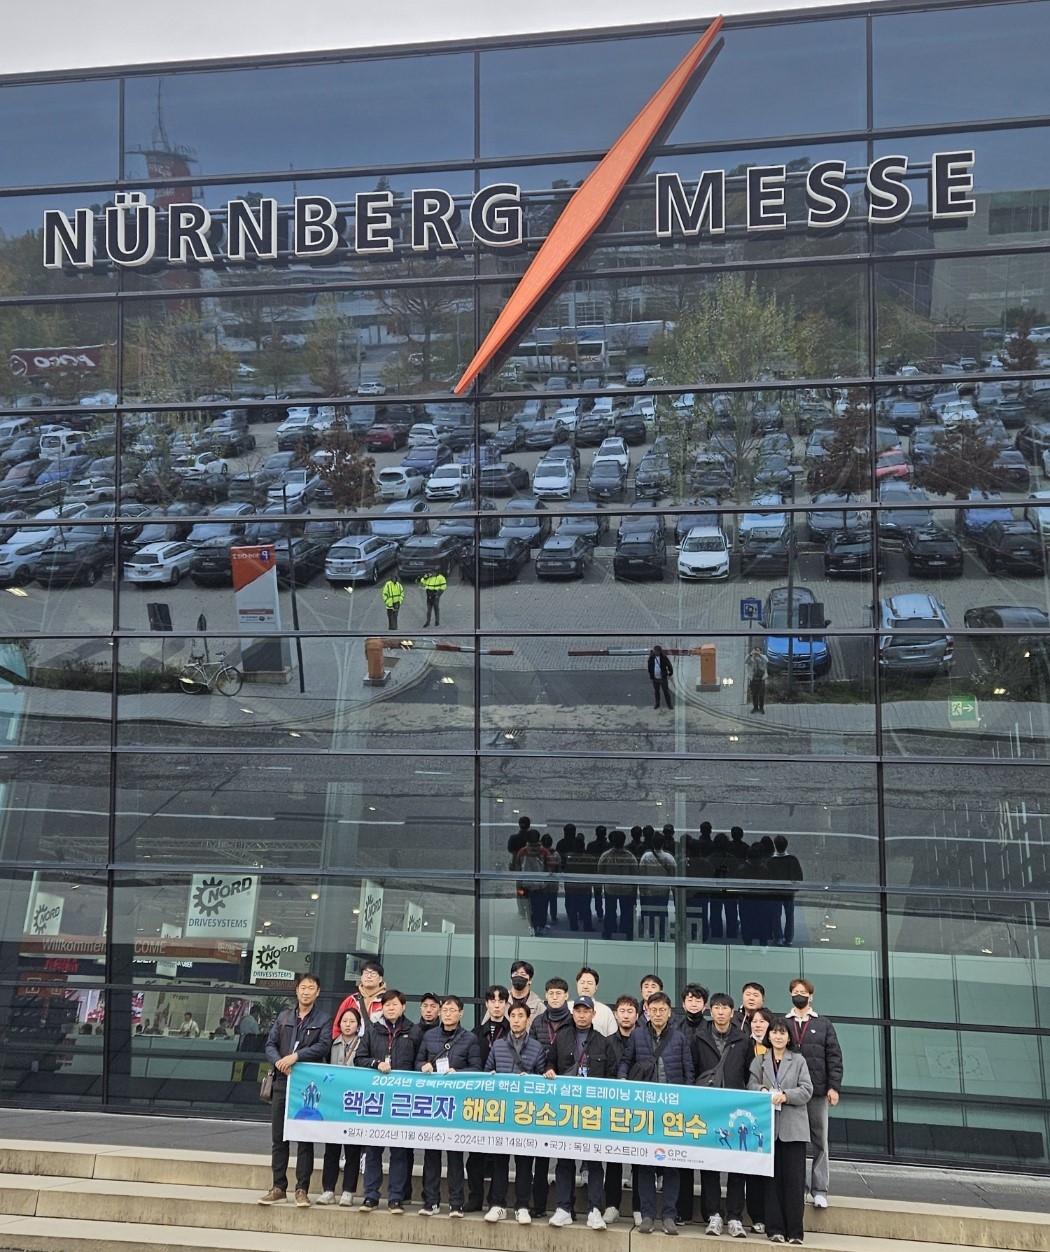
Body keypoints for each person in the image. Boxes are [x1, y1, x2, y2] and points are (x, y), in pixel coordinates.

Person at [617, 992, 694, 1235]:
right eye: (654, 1010)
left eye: (662, 1009)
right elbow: (626, 1061)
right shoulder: (638, 1035)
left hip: (672, 1110)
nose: (658, 1014)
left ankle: (669, 1215)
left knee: (672, 1164)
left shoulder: (679, 1038)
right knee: (645, 1165)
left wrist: (688, 1101)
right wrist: (622, 1079)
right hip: (645, 1108)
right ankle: (648, 1215)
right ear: (647, 1011)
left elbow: (688, 1072)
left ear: (669, 1012)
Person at [258, 973, 333, 1207]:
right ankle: (278, 1187)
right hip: (282, 1082)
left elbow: (324, 1046)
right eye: (303, 987)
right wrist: (280, 1062)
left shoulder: (324, 1019)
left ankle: (302, 1189)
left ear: (317, 992)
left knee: (304, 1139)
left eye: (311, 988)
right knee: (279, 1138)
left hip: (306, 1086)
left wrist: (296, 1057)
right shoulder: (284, 1016)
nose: (306, 991)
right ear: (296, 990)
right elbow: (270, 1045)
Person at [545, 997, 613, 1230]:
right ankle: (564, 1208)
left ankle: (595, 1210)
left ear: (594, 1014)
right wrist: (549, 1070)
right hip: (566, 1109)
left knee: (594, 1161)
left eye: (586, 1011)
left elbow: (612, 1075)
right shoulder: (562, 1038)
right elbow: (550, 1062)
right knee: (564, 1160)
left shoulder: (603, 1042)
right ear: (572, 1013)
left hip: (594, 1110)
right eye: (578, 1011)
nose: (582, 1015)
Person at [748, 1017, 814, 1244]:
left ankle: (795, 1232)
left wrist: (786, 1095)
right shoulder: (760, 1061)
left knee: (794, 1182)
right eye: (774, 1032)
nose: (778, 1036)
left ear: (789, 1037)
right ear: (769, 1036)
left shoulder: (798, 1061)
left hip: (793, 1129)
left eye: (782, 1033)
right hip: (768, 1129)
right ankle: (775, 1229)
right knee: (772, 1182)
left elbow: (807, 1090)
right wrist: (761, 1089)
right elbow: (750, 1085)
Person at [355, 990, 422, 1212]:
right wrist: (375, 1064)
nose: (390, 1008)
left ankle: (396, 1197)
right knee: (373, 1149)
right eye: (387, 1005)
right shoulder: (372, 1030)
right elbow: (359, 1058)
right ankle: (370, 1196)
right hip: (376, 1099)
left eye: (395, 1004)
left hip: (402, 1099)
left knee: (399, 1151)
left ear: (404, 1006)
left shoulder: (414, 1031)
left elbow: (419, 1062)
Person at [416, 995, 481, 1217]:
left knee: (455, 1156)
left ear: (461, 1013)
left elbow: (477, 1068)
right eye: (445, 1010)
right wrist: (423, 1066)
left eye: (452, 1010)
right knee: (431, 1155)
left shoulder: (470, 1038)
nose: (448, 1014)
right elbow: (417, 1061)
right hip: (433, 1102)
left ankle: (456, 1203)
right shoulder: (429, 1035)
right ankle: (431, 1202)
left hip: (456, 1104)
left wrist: (458, 1073)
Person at [484, 1003, 547, 1225]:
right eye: (513, 1016)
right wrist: (491, 1075)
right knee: (500, 1161)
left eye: (521, 1016)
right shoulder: (498, 1045)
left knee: (524, 1162)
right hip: (502, 1112)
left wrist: (532, 1080)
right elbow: (487, 1072)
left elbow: (542, 1080)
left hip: (525, 1113)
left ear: (528, 1020)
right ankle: (498, 1204)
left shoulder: (537, 1048)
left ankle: (522, 1206)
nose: (517, 1019)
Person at [694, 994, 750, 1238]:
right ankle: (713, 1214)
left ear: (732, 1012)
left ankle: (735, 1216)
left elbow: (748, 1074)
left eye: (724, 1008)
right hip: (708, 1108)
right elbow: (693, 1070)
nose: (720, 1012)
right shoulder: (699, 1038)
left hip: (736, 1109)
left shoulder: (743, 1039)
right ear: (710, 1010)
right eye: (716, 1007)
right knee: (710, 1164)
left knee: (737, 1164)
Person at [786, 980, 842, 1210]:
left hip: (817, 1092)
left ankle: (820, 1190)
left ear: (811, 996)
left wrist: (833, 1086)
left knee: (820, 1142)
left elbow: (834, 1057)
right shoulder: (784, 1023)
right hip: (792, 1094)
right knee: (795, 1143)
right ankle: (798, 1189)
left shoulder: (823, 1024)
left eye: (803, 992)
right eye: (795, 992)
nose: (799, 995)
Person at [468, 986, 511, 1211]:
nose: (496, 1005)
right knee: (475, 1154)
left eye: (501, 1001)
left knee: (500, 1156)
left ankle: (497, 1200)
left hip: (505, 1100)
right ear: (486, 1004)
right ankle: (475, 1198)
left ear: (506, 1004)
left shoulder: (513, 1030)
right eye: (492, 1001)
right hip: (479, 1099)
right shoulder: (476, 1033)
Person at [317, 1004, 364, 1207]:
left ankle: (348, 1191)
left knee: (352, 1149)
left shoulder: (363, 1046)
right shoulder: (331, 1044)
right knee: (331, 1149)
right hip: (333, 1103)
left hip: (354, 1103)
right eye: (344, 1021)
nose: (347, 1025)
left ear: (358, 1025)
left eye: (352, 1021)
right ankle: (328, 1190)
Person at [603, 995, 640, 1224]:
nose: (626, 1016)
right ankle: (611, 1206)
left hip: (640, 1109)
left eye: (630, 1011)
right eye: (622, 1011)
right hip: (614, 1107)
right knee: (613, 1158)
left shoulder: (644, 1040)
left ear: (637, 1015)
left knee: (640, 1160)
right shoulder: (606, 1042)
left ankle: (638, 1208)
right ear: (616, 1015)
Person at [675, 983, 709, 1226]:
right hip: (682, 1098)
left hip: (706, 1098)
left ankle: (709, 1212)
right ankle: (682, 1210)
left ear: (705, 1005)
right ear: (683, 1003)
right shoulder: (675, 1028)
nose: (694, 1004)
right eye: (690, 999)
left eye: (698, 1000)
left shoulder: (710, 1029)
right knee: (683, 1157)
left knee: (707, 1157)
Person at [744, 1007, 775, 1233]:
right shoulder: (744, 1045)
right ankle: (757, 1216)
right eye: (754, 1021)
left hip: (776, 1114)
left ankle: (770, 1215)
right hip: (750, 1111)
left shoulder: (778, 1049)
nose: (758, 1025)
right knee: (753, 1165)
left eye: (763, 1021)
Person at [597, 829, 637, 940]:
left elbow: (600, 872)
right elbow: (635, 873)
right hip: (626, 888)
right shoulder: (630, 856)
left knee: (610, 911)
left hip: (610, 888)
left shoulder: (605, 856)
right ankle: (628, 932)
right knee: (627, 912)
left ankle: (608, 932)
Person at [515, 828, 556, 936]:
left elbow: (517, 867)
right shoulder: (544, 852)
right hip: (540, 885)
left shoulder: (522, 851)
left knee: (530, 907)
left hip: (526, 884)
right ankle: (541, 927)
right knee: (541, 907)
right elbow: (551, 866)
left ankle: (532, 927)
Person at [331, 960, 386, 1037]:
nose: (369, 976)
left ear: (380, 979)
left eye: (373, 974)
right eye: (366, 973)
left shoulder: (387, 1000)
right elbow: (337, 1026)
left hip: (379, 1043)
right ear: (361, 977)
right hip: (354, 1043)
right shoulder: (351, 1000)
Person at [638, 831, 676, 941]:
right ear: (663, 843)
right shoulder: (669, 858)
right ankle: (663, 934)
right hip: (664, 890)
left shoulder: (646, 857)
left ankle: (651, 933)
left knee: (651, 913)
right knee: (663, 911)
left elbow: (641, 873)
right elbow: (673, 874)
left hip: (650, 890)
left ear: (652, 843)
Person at [768, 836, 804, 946]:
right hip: (789, 891)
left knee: (776, 915)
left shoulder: (770, 861)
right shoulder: (792, 860)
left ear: (775, 846)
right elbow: (799, 876)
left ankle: (778, 937)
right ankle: (789, 938)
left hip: (775, 893)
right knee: (789, 915)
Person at [575, 967, 616, 1036]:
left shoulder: (605, 1012)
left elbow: (613, 1038)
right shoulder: (568, 1007)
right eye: (582, 983)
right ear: (577, 985)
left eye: (589, 983)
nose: (585, 986)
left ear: (596, 987)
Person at [647, 644, 674, 710]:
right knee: (656, 691)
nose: (654, 652)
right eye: (654, 651)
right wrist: (651, 675)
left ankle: (669, 704)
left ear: (659, 652)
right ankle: (657, 704)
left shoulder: (664, 657)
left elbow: (669, 665)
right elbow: (649, 666)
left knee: (666, 692)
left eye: (655, 651)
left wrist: (670, 672)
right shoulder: (651, 657)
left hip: (663, 678)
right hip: (655, 678)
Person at [746, 646, 767, 714]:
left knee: (761, 695)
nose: (756, 652)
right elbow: (745, 661)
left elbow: (766, 661)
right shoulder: (751, 658)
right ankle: (755, 707)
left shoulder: (763, 657)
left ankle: (761, 708)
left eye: (758, 650)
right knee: (754, 694)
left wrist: (759, 655)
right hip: (753, 679)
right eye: (755, 650)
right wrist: (751, 654)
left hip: (761, 679)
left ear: (760, 651)